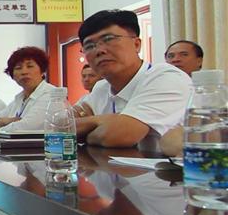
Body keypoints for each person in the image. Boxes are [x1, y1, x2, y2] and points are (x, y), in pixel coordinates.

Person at [73, 10, 191, 150]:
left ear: (136, 44)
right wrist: (102, 120)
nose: (99, 50)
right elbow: (58, 126)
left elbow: (119, 136)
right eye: (89, 46)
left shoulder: (166, 77)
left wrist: (85, 132)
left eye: (109, 39)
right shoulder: (102, 87)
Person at [0, 46, 56, 132]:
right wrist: (0, 122)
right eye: (18, 68)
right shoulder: (19, 99)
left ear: (42, 71)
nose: (24, 72)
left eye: (30, 66)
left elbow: (24, 127)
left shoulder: (51, 95)